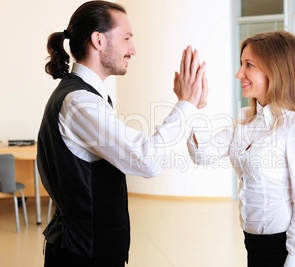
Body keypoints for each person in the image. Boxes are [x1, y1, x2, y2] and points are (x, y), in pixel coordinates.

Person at [37, 1, 206, 266]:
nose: (133, 50)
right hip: (81, 254)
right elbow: (147, 161)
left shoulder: (85, 96)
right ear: (98, 40)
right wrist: (186, 104)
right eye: (127, 38)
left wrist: (191, 106)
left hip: (88, 250)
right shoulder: (80, 102)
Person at [185, 31, 295, 267]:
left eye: (249, 65)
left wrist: (294, 262)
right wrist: (196, 105)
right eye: (241, 64)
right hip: (254, 247)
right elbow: (202, 153)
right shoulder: (247, 119)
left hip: (287, 252)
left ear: (277, 70)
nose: (239, 74)